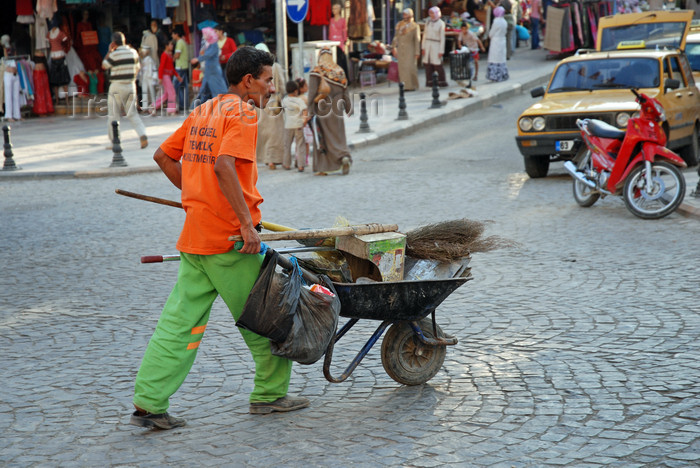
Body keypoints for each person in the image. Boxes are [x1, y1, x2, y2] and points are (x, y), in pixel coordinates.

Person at [130, 46, 309, 430]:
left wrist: (195, 197)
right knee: (267, 317)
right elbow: (224, 164)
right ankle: (270, 395)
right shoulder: (242, 112)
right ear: (248, 82)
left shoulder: (204, 109)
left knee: (178, 325)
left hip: (196, 238)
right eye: (267, 80)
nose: (270, 88)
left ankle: (148, 400)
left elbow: (164, 156)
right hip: (229, 242)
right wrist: (246, 225)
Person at [307, 48, 352, 176]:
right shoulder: (339, 72)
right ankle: (343, 156)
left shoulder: (317, 71)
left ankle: (323, 168)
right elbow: (346, 93)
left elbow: (311, 94)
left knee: (323, 139)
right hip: (337, 110)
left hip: (321, 110)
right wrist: (349, 109)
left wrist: (309, 111)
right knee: (338, 136)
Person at [102, 32, 148, 149]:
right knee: (132, 113)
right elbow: (138, 68)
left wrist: (109, 51)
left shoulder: (114, 54)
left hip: (116, 86)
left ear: (113, 43)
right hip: (130, 85)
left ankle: (115, 142)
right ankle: (142, 134)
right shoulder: (133, 52)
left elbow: (104, 65)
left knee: (113, 115)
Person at [254, 43, 286, 170]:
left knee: (262, 132)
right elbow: (282, 85)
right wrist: (281, 96)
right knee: (275, 133)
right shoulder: (276, 67)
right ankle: (272, 159)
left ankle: (264, 158)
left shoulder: (253, 70)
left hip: (258, 102)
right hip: (273, 102)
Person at [191, 27, 227, 106]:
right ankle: (196, 106)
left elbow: (209, 54)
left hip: (213, 70)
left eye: (204, 34)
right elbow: (205, 53)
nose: (203, 35)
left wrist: (198, 59)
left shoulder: (213, 44)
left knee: (217, 89)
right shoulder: (208, 44)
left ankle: (223, 106)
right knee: (206, 90)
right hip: (210, 70)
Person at [282, 80, 309, 172]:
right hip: (298, 125)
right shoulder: (299, 100)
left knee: (287, 145)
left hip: (288, 125)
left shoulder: (284, 100)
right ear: (295, 91)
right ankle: (301, 165)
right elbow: (305, 110)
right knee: (300, 145)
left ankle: (286, 164)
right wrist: (304, 121)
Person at [391, 8, 421, 91]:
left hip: (410, 49)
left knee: (410, 67)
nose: (404, 16)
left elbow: (417, 40)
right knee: (402, 68)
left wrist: (417, 52)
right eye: (403, 14)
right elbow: (396, 37)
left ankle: (413, 85)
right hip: (401, 49)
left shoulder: (415, 26)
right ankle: (404, 86)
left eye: (406, 14)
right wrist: (393, 47)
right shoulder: (400, 24)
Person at [152, 40, 180, 116]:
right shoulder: (164, 55)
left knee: (166, 94)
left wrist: (177, 76)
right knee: (172, 92)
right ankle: (171, 110)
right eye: (171, 45)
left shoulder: (169, 55)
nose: (172, 46)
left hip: (167, 76)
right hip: (165, 76)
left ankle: (153, 106)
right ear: (166, 46)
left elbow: (171, 67)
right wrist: (160, 77)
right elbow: (161, 67)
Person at [422, 6, 448, 87]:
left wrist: (441, 50)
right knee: (428, 64)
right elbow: (425, 35)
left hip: (436, 44)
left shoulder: (441, 23)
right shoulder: (428, 22)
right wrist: (423, 47)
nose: (432, 15)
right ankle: (429, 82)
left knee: (437, 64)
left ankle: (441, 81)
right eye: (430, 13)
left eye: (433, 13)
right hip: (427, 44)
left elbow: (442, 38)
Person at [47, 19, 71, 106]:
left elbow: (65, 39)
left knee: (64, 80)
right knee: (55, 81)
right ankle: (57, 100)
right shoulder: (49, 34)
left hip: (60, 56)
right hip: (54, 57)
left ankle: (66, 100)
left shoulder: (60, 33)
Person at [486, 6, 509, 82]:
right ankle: (502, 75)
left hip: (495, 41)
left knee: (494, 58)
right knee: (501, 58)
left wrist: (489, 36)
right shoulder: (504, 21)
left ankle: (494, 76)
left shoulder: (496, 21)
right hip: (502, 40)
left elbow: (491, 33)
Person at [328, 3, 349, 78]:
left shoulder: (343, 20)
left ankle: (343, 77)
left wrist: (345, 40)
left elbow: (344, 31)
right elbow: (330, 32)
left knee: (341, 61)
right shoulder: (331, 20)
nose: (333, 10)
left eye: (335, 8)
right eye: (333, 8)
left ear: (339, 10)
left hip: (340, 43)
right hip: (333, 42)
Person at [172, 25, 190, 112]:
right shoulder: (183, 42)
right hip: (184, 66)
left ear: (177, 34)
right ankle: (184, 104)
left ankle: (179, 105)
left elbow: (177, 55)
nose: (172, 36)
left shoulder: (179, 42)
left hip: (180, 67)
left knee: (175, 86)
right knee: (183, 86)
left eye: (173, 34)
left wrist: (172, 58)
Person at [139, 45, 157, 111]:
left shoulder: (149, 59)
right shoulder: (143, 59)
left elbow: (153, 68)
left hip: (149, 77)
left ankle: (154, 105)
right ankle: (145, 106)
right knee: (144, 91)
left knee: (151, 91)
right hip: (145, 76)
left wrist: (153, 76)